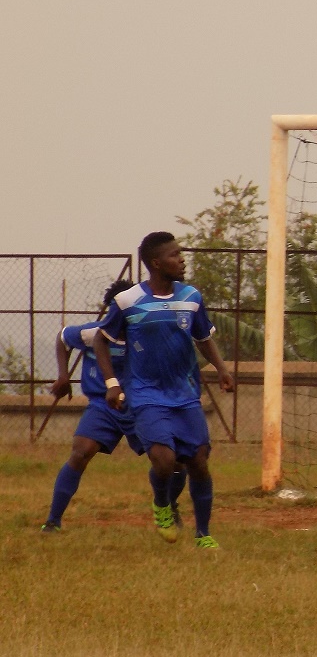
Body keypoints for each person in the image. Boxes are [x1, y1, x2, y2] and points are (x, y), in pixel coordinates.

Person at [93, 232, 234, 548]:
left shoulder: (192, 297)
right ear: (156, 263)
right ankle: (162, 504)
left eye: (181, 253)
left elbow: (203, 337)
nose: (182, 259)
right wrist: (112, 383)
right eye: (175, 254)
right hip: (145, 394)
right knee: (164, 459)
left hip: (184, 394)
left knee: (198, 459)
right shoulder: (128, 300)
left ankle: (204, 534)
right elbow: (101, 339)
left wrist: (223, 369)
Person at [41, 280, 188, 532]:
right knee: (80, 452)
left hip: (142, 406)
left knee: (173, 461)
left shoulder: (147, 337)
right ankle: (53, 521)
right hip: (103, 406)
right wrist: (64, 376)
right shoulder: (93, 334)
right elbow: (63, 338)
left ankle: (168, 504)